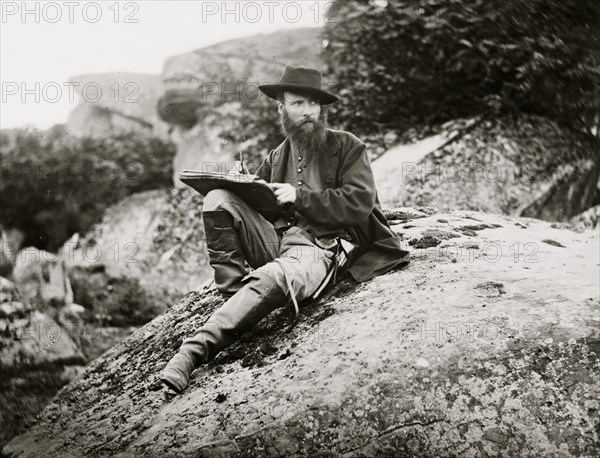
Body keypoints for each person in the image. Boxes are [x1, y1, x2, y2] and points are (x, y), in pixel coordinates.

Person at [159, 65, 409, 393]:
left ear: (321, 109)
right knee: (218, 198)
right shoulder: (277, 156)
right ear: (281, 108)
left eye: (313, 104)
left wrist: (300, 196)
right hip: (279, 243)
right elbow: (264, 205)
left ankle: (192, 352)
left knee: (272, 275)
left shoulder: (347, 146)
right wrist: (242, 183)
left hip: (322, 249)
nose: (307, 112)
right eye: (297, 103)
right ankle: (235, 294)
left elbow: (359, 203)